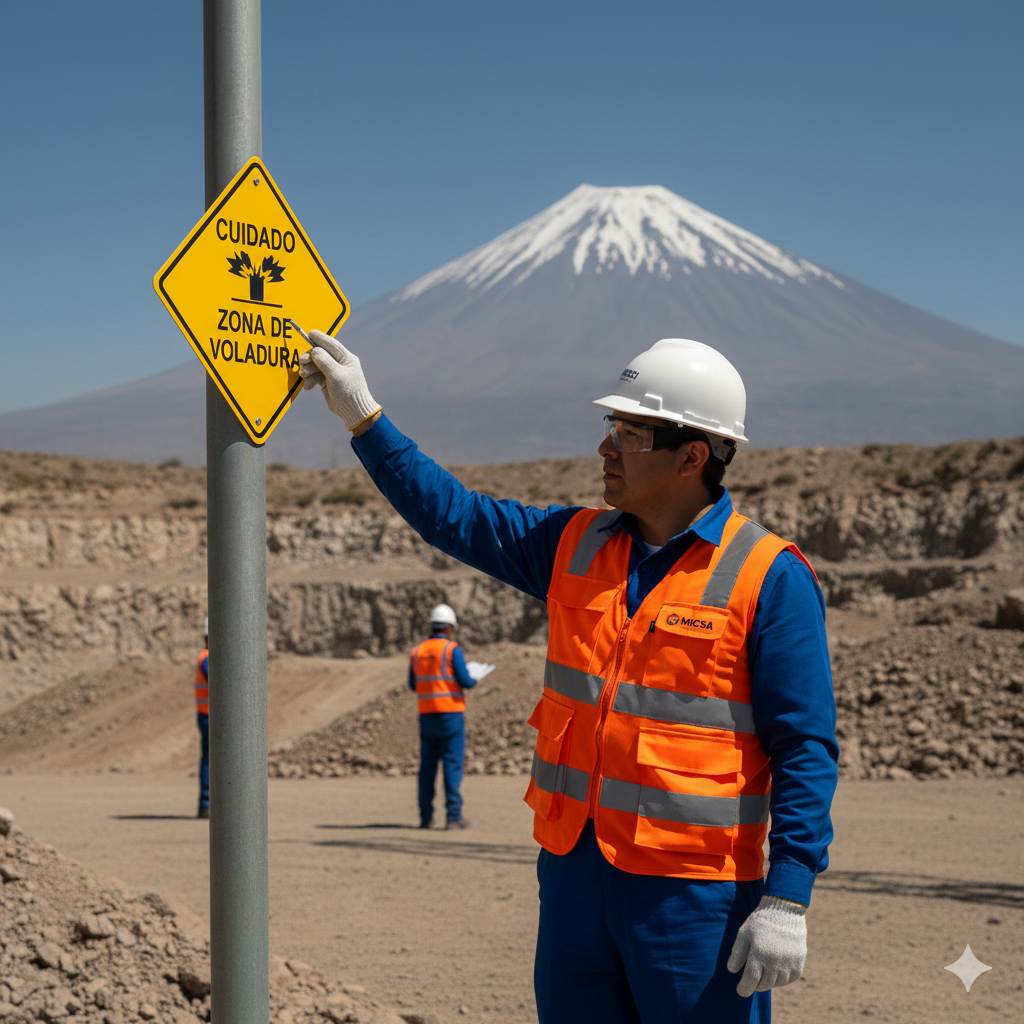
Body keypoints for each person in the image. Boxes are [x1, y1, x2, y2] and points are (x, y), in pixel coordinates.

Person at [299, 333, 838, 1024]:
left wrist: (788, 895)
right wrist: (367, 419)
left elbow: (804, 747)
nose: (606, 447)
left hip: (692, 896)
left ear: (692, 456)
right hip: (575, 880)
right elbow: (452, 516)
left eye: (630, 432)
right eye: (609, 428)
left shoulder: (769, 577)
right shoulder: (573, 543)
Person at [410, 603, 477, 829]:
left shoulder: (417, 652)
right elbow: (466, 681)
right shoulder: (451, 650)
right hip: (450, 716)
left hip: (427, 717)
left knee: (427, 767)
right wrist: (474, 678)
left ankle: (425, 817)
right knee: (452, 764)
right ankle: (453, 816)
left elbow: (413, 684)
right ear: (449, 628)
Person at [194, 617, 210, 820]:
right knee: (210, 760)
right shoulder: (207, 658)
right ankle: (206, 804)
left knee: (209, 759)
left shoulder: (205, 656)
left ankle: (207, 804)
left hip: (206, 714)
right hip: (210, 716)